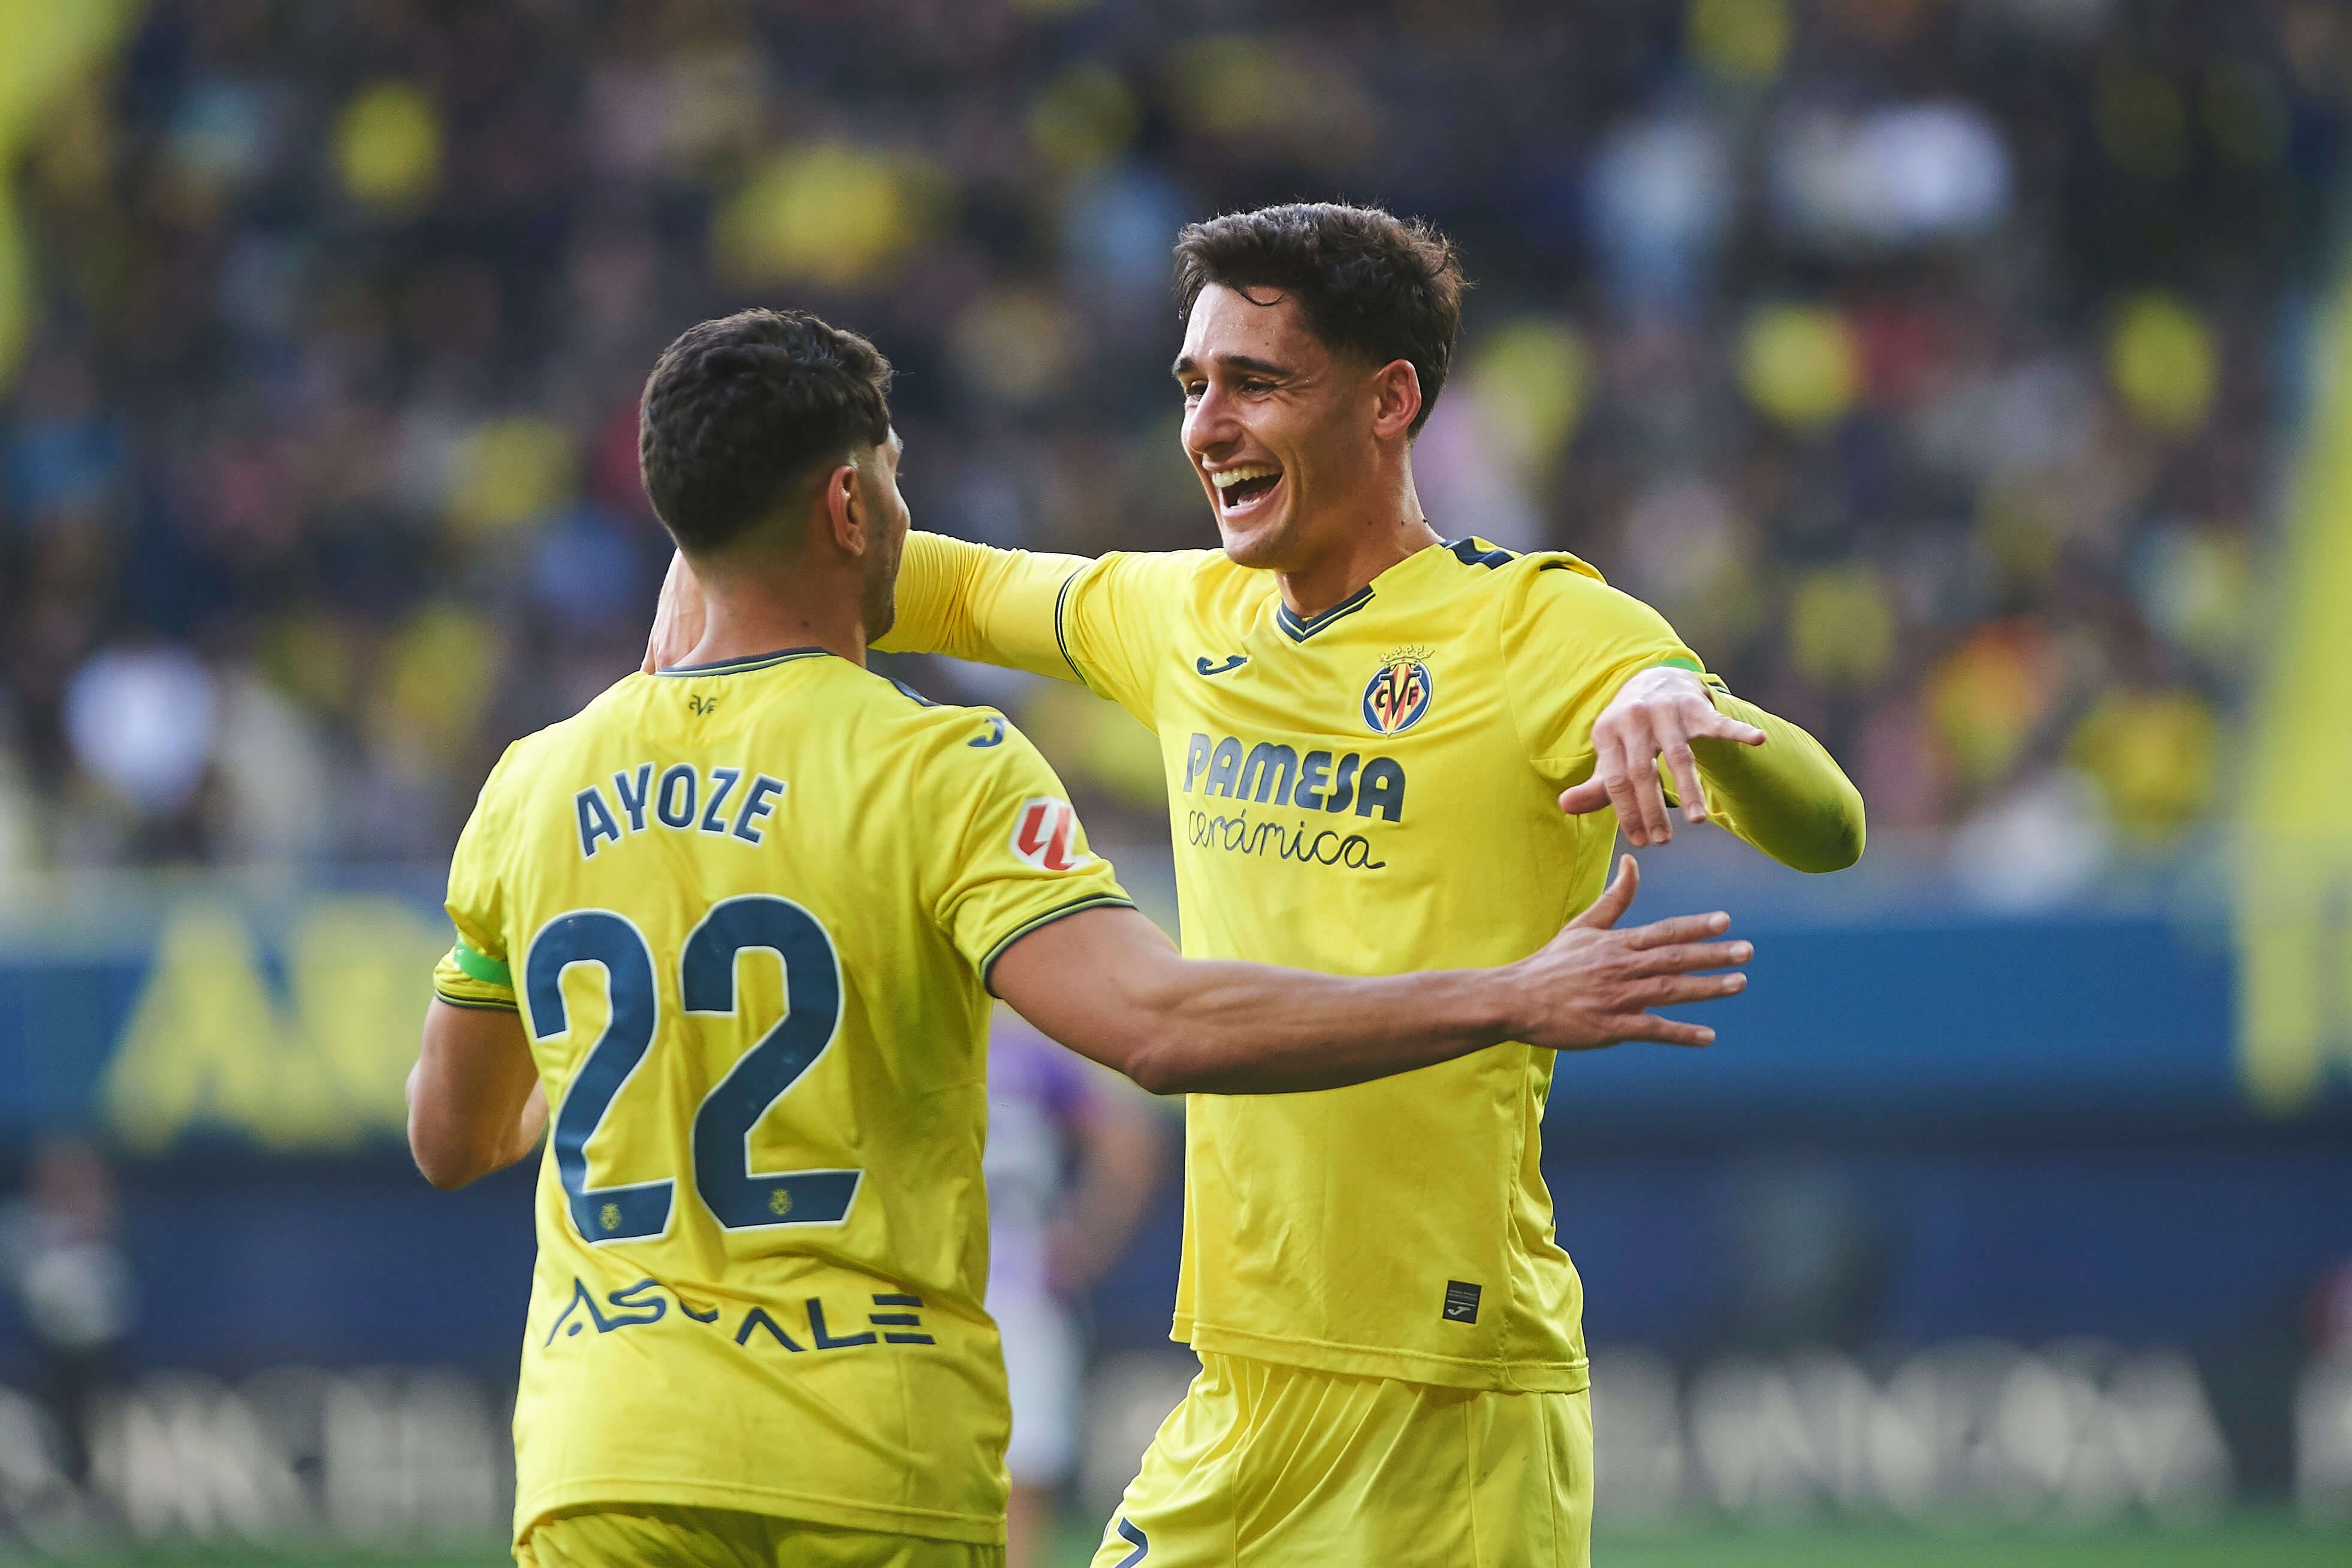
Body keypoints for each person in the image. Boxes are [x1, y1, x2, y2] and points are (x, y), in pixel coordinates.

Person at [413, 306, 1755, 1568]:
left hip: (601, 1448)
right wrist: (1508, 995)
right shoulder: (940, 770)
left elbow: (453, 1136)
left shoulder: (531, 783)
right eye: (890, 481)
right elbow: (1156, 1028)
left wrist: (628, 1078)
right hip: (867, 1453)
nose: (902, 517)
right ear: (845, 504)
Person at [982, 1014, 1166, 1568]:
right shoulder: (1023, 1050)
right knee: (1016, 1479)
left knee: (1014, 1478)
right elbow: (1130, 1138)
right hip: (1011, 1287)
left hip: (987, 1280)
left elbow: (1129, 1138)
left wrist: (1085, 1239)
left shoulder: (1016, 1050)